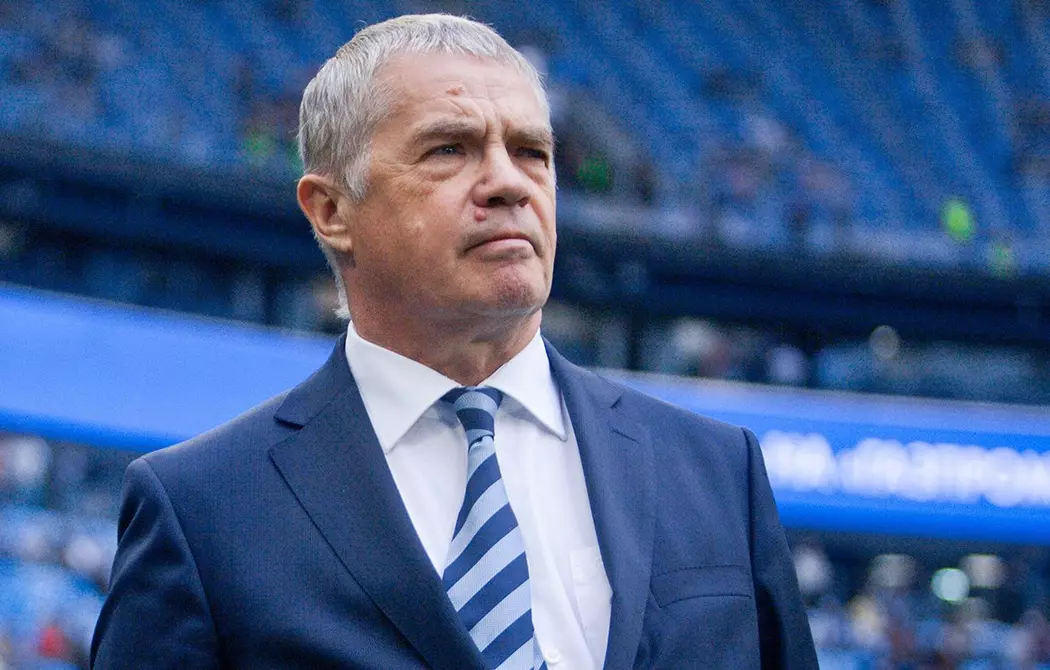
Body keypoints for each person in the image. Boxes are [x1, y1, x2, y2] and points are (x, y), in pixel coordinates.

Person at [91, 14, 817, 670]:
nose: (509, 183)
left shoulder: (718, 472)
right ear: (332, 211)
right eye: (449, 149)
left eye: (532, 152)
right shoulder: (204, 509)